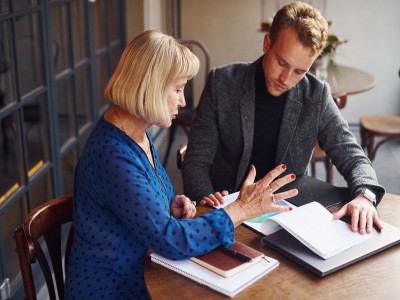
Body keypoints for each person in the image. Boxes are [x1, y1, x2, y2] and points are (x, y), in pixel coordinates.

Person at [64, 30, 298, 299]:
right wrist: (241, 209)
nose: (184, 101)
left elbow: (133, 205)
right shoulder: (112, 154)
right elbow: (171, 240)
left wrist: (168, 205)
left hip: (141, 270)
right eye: (177, 89)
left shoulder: (136, 132)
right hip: (113, 288)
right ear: (150, 87)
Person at [181, 1, 385, 235]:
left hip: (286, 217)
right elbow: (196, 161)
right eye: (281, 63)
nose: (286, 79)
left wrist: (365, 196)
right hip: (227, 213)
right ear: (267, 43)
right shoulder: (222, 83)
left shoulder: (316, 95)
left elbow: (352, 155)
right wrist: (207, 203)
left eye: (299, 71)